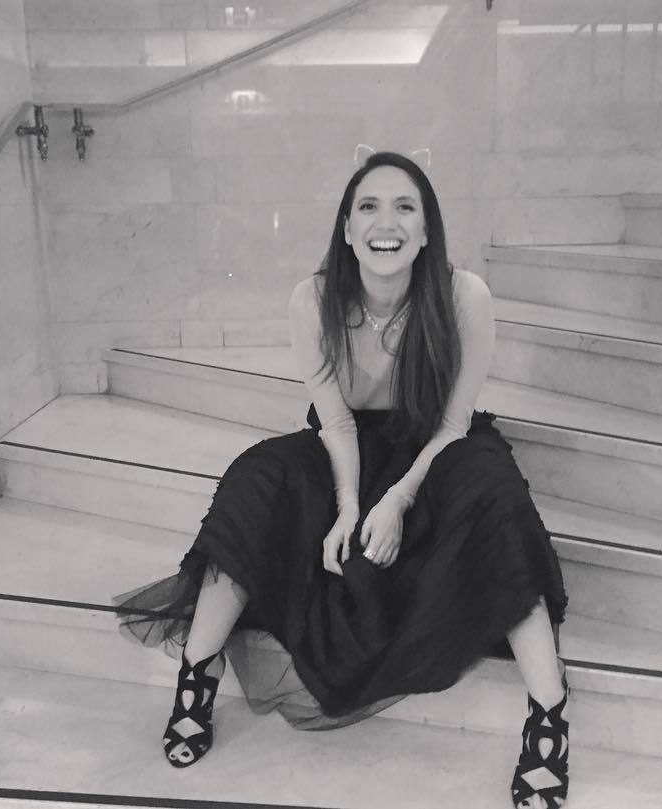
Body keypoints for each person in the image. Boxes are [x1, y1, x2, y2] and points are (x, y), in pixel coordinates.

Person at [115, 151, 569, 809]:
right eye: (369, 207)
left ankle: (549, 714)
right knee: (257, 477)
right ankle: (195, 677)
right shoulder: (313, 300)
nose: (387, 222)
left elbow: (453, 423)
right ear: (349, 229)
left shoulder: (464, 296)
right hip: (348, 446)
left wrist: (398, 499)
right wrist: (350, 506)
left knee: (495, 495)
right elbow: (335, 422)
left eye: (405, 207)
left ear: (426, 230)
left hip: (439, 447)